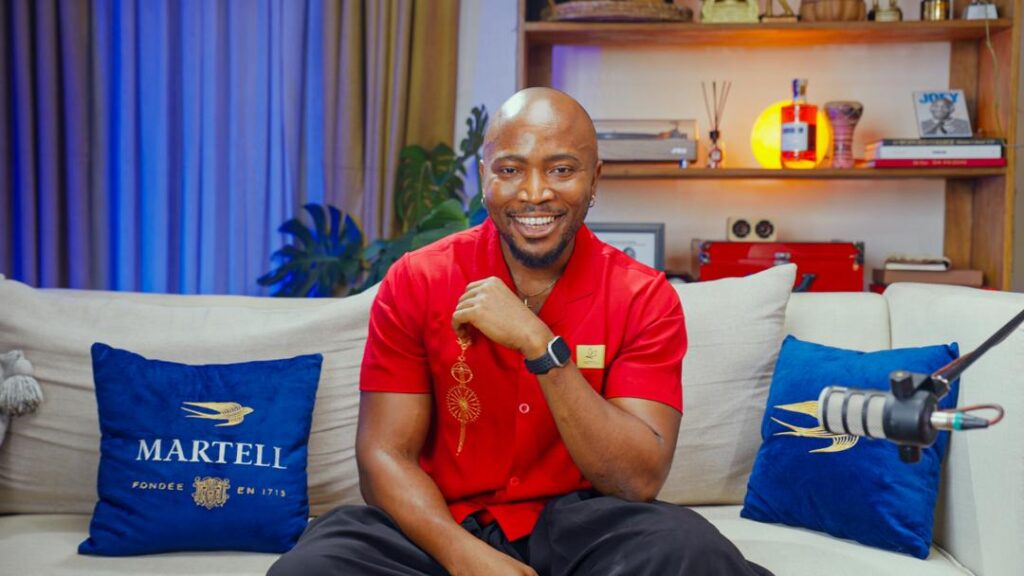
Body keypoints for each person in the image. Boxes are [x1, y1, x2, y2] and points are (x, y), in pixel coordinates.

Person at [268, 88, 772, 576]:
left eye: (561, 170)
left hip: (584, 527)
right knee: (311, 568)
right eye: (510, 170)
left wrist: (540, 346)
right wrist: (465, 558)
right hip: (440, 525)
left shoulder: (643, 296)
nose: (534, 193)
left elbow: (637, 480)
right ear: (483, 175)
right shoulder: (418, 279)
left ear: (594, 179)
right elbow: (384, 454)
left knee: (688, 549)